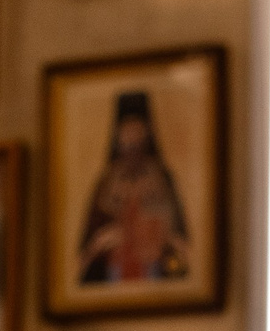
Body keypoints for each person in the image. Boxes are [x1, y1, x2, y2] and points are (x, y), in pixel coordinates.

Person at [79, 90, 192, 286]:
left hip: (154, 271)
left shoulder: (162, 180)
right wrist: (103, 241)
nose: (132, 150)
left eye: (137, 143)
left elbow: (181, 241)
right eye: (127, 143)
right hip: (115, 271)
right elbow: (88, 247)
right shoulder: (106, 183)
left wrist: (162, 237)